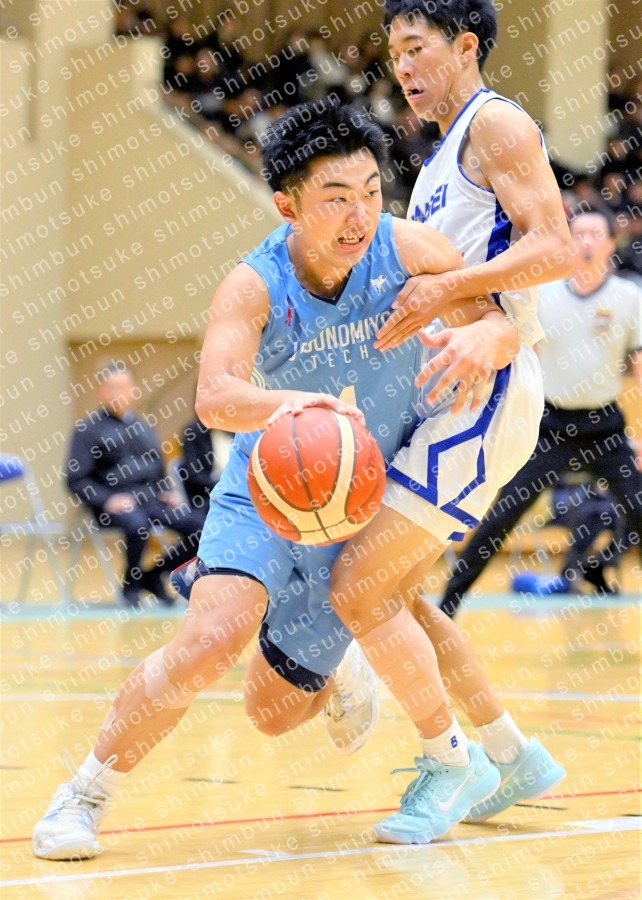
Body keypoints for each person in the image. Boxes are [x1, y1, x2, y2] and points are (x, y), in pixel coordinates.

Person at [33, 100, 519, 861]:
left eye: (370, 191)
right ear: (287, 205)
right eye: (336, 198)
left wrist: (486, 337)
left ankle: (351, 667)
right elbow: (215, 397)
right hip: (269, 489)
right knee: (209, 640)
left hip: (357, 506)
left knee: (272, 715)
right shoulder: (253, 283)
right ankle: (84, 794)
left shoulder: (410, 249)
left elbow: (499, 321)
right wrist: (293, 404)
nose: (359, 215)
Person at [319, 0, 575, 844]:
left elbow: (554, 246)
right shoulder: (440, 154)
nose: (402, 68)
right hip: (451, 386)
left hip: (484, 388)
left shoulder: (495, 124)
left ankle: (448, 762)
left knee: (357, 587)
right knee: (398, 594)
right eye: (393, 53)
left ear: (465, 46)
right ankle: (512, 754)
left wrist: (452, 292)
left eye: (415, 47)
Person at [440, 208, 642, 614]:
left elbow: (638, 367)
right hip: (549, 427)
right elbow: (521, 359)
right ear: (568, 243)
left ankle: (595, 568)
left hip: (604, 427)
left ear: (609, 244)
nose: (585, 242)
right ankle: (446, 606)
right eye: (578, 234)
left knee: (638, 512)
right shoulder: (544, 294)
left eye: (594, 235)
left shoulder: (629, 297)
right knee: (500, 518)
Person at [66, 363, 204, 607]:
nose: (117, 393)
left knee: (200, 528)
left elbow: (158, 469)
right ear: (100, 391)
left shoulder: (143, 428)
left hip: (150, 500)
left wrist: (167, 492)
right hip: (113, 504)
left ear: (134, 390)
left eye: (123, 387)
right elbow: (76, 479)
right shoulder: (87, 430)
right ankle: (131, 586)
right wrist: (107, 499)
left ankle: (153, 575)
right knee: (138, 524)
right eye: (111, 387)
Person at [178, 416, 231, 515]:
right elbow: (195, 475)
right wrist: (222, 487)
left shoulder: (232, 426)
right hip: (210, 495)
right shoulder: (193, 433)